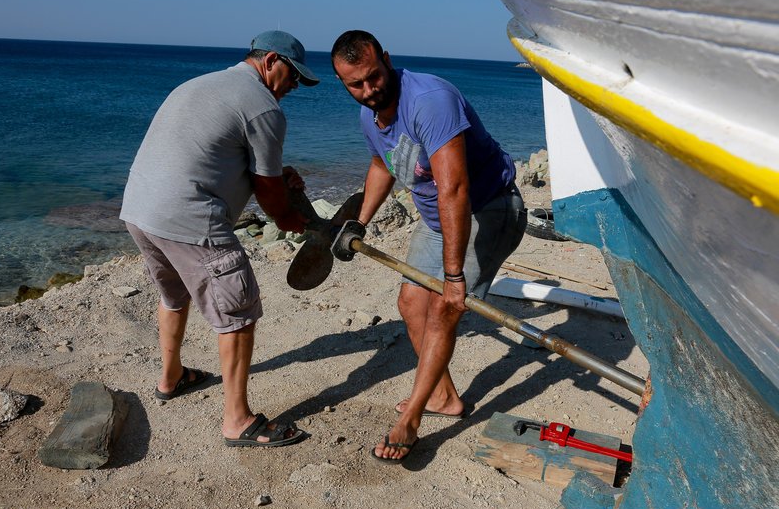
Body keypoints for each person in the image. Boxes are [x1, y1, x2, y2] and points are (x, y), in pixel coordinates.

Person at [331, 30, 527, 462]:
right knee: (411, 302)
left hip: (490, 210)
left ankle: (412, 420)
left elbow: (453, 188)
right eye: (355, 85)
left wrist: (453, 276)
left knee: (443, 306)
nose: (368, 90)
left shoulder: (429, 100)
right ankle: (443, 398)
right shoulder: (371, 113)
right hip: (439, 221)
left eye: (373, 76)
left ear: (386, 57)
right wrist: (357, 222)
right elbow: (383, 163)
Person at [120, 30, 319, 448]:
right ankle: (237, 421)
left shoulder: (201, 83)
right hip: (190, 217)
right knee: (238, 311)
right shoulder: (264, 107)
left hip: (140, 210)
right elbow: (266, 189)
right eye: (292, 77)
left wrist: (279, 181)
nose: (293, 88)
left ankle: (171, 377)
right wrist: (288, 217)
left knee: (174, 295)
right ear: (269, 62)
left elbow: (214, 155)